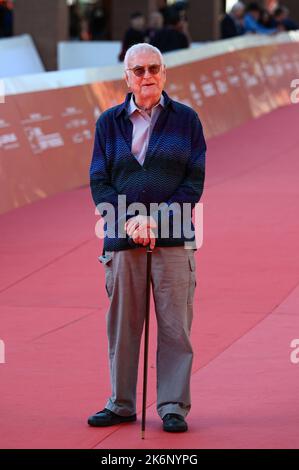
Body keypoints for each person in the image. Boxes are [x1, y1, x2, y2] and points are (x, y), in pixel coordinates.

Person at [88, 43, 206, 433]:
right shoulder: (108, 123)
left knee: (175, 327)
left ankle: (172, 405)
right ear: (126, 77)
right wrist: (130, 224)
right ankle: (121, 403)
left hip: (173, 239)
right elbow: (100, 182)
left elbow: (193, 182)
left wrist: (155, 220)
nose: (146, 76)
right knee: (123, 327)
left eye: (153, 68)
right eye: (137, 70)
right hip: (123, 240)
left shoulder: (187, 120)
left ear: (164, 73)